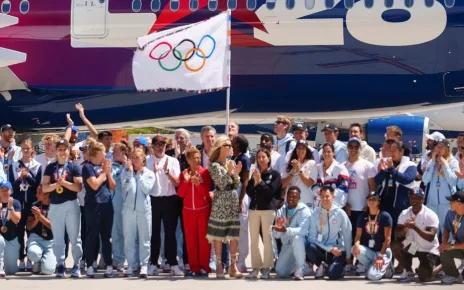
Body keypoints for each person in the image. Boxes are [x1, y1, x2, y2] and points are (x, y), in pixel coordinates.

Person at [42, 139, 83, 278]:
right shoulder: (50, 167)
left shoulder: (74, 167)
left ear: (68, 151)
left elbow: (78, 187)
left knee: (74, 236)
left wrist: (63, 182)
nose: (62, 152)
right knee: (58, 237)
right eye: (59, 149)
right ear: (56, 151)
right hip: (55, 205)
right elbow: (45, 187)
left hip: (71, 203)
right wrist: (56, 185)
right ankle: (60, 263)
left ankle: (77, 263)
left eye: (65, 149)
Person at [206, 136, 242, 278]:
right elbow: (221, 184)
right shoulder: (214, 165)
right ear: (221, 147)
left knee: (233, 235)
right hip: (221, 202)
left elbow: (235, 185)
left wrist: (236, 174)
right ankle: (219, 266)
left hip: (232, 201)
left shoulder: (230, 163)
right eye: (227, 145)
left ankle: (233, 266)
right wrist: (230, 172)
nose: (230, 147)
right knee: (218, 235)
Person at [147, 135, 183, 276]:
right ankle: (153, 263)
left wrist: (167, 172)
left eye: (162, 144)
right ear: (153, 146)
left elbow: (177, 183)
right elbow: (145, 182)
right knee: (155, 234)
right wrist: (153, 172)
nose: (160, 147)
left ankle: (173, 263)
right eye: (157, 144)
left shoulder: (173, 161)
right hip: (153, 200)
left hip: (169, 200)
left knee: (170, 234)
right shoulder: (147, 161)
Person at [81, 138, 116, 278]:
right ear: (97, 153)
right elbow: (94, 184)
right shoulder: (87, 167)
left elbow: (113, 186)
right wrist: (103, 172)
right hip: (93, 205)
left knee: (106, 237)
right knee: (92, 235)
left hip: (107, 204)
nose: (106, 154)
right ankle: (90, 264)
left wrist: (107, 172)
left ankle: (108, 264)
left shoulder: (105, 167)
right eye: (104, 152)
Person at [246, 149, 282, 279]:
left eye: (263, 157)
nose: (261, 159)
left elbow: (271, 192)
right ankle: (255, 268)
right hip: (254, 209)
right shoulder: (255, 173)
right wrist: (255, 182)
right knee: (254, 240)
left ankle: (267, 267)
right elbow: (249, 191)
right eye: (259, 157)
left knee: (267, 239)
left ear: (268, 159)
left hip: (268, 209)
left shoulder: (275, 174)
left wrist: (260, 182)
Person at [391, 187, 440, 283]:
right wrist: (406, 228)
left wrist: (415, 227)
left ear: (422, 199)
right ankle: (409, 271)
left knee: (424, 278)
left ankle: (443, 266)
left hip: (428, 249)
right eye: (412, 198)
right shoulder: (404, 213)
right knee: (395, 245)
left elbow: (430, 237)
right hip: (413, 247)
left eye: (417, 198)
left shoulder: (430, 214)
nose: (414, 200)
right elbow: (398, 234)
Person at [178, 147, 212, 277]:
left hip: (202, 211)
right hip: (188, 212)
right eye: (193, 158)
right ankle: (194, 267)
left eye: (198, 157)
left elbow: (207, 194)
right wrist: (186, 182)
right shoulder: (184, 173)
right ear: (187, 160)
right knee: (190, 240)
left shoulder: (205, 173)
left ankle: (204, 267)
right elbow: (180, 194)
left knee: (204, 241)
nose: (196, 160)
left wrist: (198, 184)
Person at [121, 148, 155, 278]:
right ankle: (131, 264)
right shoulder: (125, 173)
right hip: (129, 210)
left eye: (137, 157)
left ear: (143, 159)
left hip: (144, 210)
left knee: (144, 238)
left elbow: (146, 189)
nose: (134, 160)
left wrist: (139, 176)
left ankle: (144, 265)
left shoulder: (149, 173)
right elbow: (126, 188)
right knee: (129, 238)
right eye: (133, 157)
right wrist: (130, 174)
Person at [306, 185, 352, 280]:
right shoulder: (315, 214)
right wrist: (330, 248)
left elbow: (347, 234)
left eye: (327, 196)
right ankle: (322, 265)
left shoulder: (340, 213)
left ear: (333, 197)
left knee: (332, 275)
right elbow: (311, 238)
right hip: (323, 249)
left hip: (337, 251)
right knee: (310, 247)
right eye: (322, 196)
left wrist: (348, 256)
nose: (324, 199)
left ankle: (333, 267)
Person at [9, 138, 42, 271]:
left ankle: (30, 258)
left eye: (28, 148)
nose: (26, 150)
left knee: (31, 230)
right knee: (19, 231)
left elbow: (36, 184)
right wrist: (20, 178)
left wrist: (26, 176)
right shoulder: (15, 165)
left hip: (31, 202)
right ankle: (21, 258)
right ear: (21, 150)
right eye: (23, 148)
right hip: (19, 202)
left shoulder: (37, 165)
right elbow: (13, 186)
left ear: (32, 150)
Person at [375, 141, 416, 235]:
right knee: (384, 230)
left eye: (394, 150)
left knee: (397, 232)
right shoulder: (387, 162)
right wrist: (383, 171)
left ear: (401, 152)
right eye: (390, 150)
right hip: (385, 203)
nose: (391, 152)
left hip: (399, 205)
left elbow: (407, 179)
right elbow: (377, 181)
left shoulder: (410, 165)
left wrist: (391, 169)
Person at [351, 192, 394, 280]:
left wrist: (380, 256)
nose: (371, 201)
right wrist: (356, 245)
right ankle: (373, 267)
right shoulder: (363, 216)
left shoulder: (385, 216)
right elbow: (358, 235)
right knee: (354, 249)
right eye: (369, 199)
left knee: (372, 276)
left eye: (374, 199)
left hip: (382, 251)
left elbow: (388, 239)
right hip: (370, 251)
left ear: (378, 202)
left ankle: (387, 268)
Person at [273, 186, 311, 280]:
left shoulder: (304, 210)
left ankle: (301, 269)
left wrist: (286, 230)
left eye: (294, 197)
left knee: (297, 238)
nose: (291, 199)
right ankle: (298, 265)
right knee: (280, 271)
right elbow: (276, 236)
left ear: (299, 198)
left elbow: (304, 230)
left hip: (302, 243)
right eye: (289, 196)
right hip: (287, 244)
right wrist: (277, 230)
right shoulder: (281, 210)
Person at [422, 139, 459, 234]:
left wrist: (445, 166)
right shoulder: (432, 162)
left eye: (441, 146)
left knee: (447, 231)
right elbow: (425, 180)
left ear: (447, 148)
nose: (438, 149)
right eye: (437, 146)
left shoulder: (453, 162)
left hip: (446, 204)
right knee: (431, 231)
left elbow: (453, 181)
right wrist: (433, 162)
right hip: (431, 203)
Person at [26, 185, 56, 275]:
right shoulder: (35, 205)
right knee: (33, 253)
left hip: (51, 240)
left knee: (48, 271)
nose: (36, 195)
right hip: (36, 238)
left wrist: (40, 216)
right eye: (36, 192)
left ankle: (44, 262)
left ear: (47, 194)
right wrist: (36, 219)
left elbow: (54, 227)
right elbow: (29, 227)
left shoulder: (55, 205)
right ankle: (37, 261)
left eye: (39, 192)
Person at [231, 135, 251, 273]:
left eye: (233, 140)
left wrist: (240, 199)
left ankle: (242, 262)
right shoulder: (233, 158)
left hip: (241, 196)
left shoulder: (244, 158)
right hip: (232, 195)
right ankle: (234, 261)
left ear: (237, 143)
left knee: (242, 230)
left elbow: (245, 181)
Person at [111, 141, 131, 272]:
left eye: (115, 151)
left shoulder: (132, 164)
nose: (112, 153)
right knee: (117, 233)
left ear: (123, 153)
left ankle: (132, 261)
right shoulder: (111, 166)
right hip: (117, 204)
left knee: (130, 234)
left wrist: (127, 167)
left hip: (131, 204)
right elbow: (111, 182)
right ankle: (118, 260)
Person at [310, 143, 349, 209]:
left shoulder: (340, 168)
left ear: (333, 153)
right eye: (324, 151)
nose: (326, 154)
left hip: (335, 206)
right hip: (319, 206)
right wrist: (318, 191)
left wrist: (326, 193)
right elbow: (312, 185)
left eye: (329, 152)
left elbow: (343, 188)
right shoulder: (317, 167)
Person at [282, 140, 316, 207]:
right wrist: (293, 172)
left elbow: (309, 183)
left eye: (303, 148)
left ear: (307, 150)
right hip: (291, 201)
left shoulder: (312, 163)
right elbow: (283, 184)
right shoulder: (289, 164)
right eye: (298, 148)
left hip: (305, 201)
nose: (300, 150)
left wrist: (299, 170)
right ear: (295, 150)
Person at [439, 191, 464, 284]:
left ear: (460, 204)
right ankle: (454, 276)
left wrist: (452, 247)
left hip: (459, 245)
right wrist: (444, 243)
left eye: (452, 202)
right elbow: (446, 228)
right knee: (444, 250)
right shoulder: (450, 213)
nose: (449, 203)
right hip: (457, 244)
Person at [0, 181, 21, 276]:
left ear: (11, 191)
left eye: (7, 190)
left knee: (11, 271)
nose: (4, 192)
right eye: (2, 190)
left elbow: (16, 220)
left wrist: (10, 208)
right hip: (0, 238)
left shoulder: (15, 202)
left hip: (11, 239)